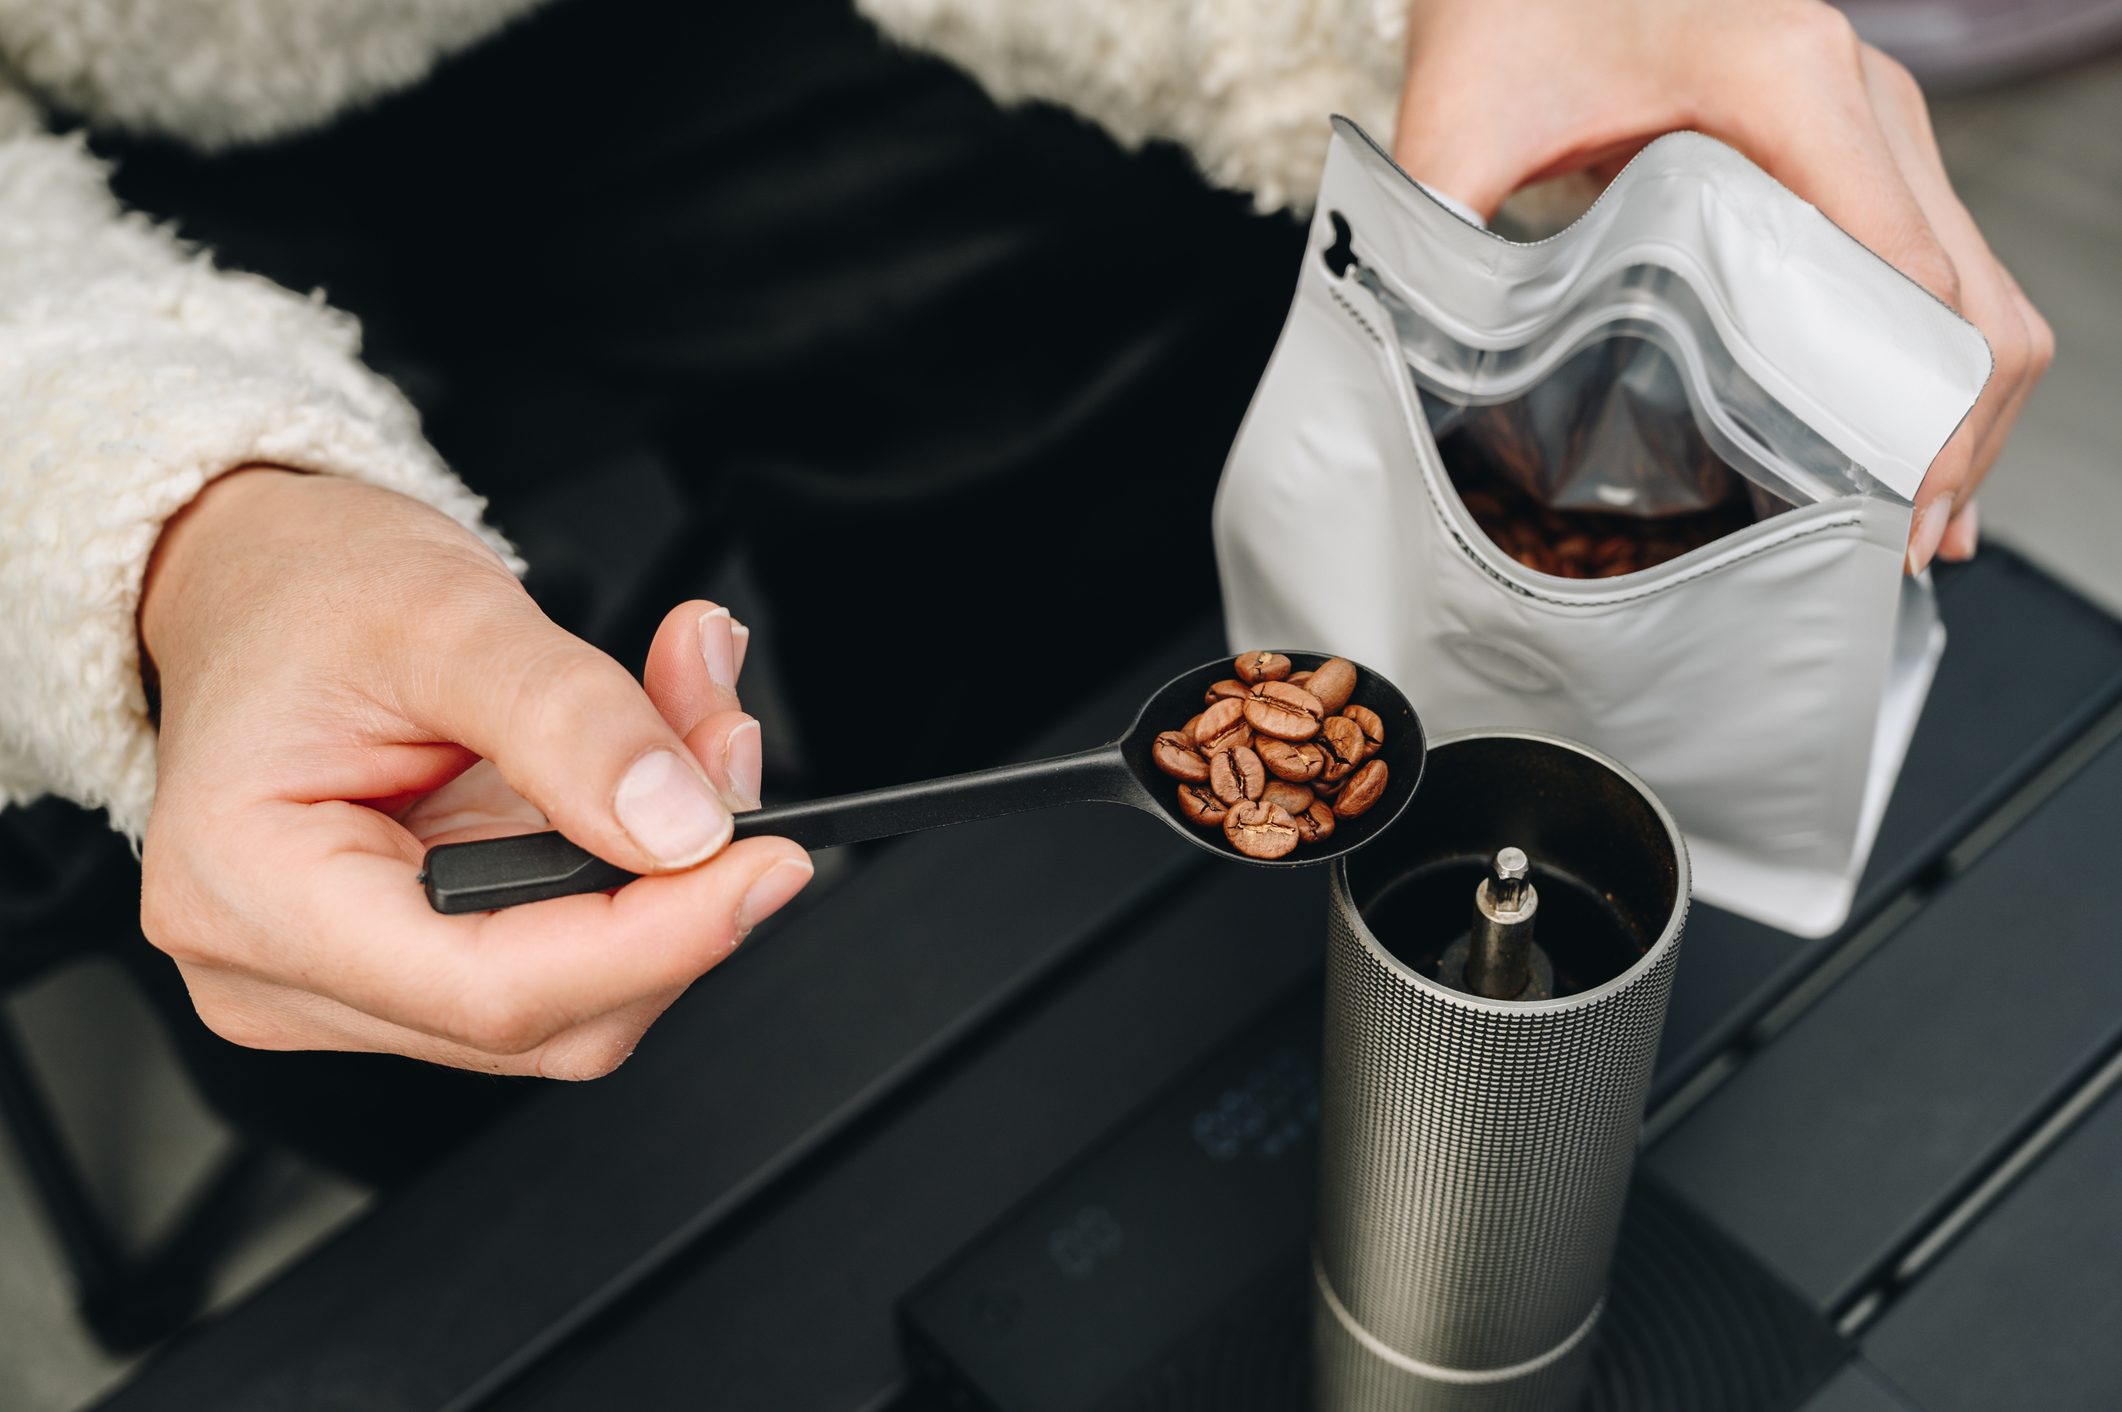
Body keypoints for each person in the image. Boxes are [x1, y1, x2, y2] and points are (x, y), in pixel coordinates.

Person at [0, 0, 2050, 1172]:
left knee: (1135, 401)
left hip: (801, 65)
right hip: (126, 168)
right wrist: (189, 524)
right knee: (417, 1032)